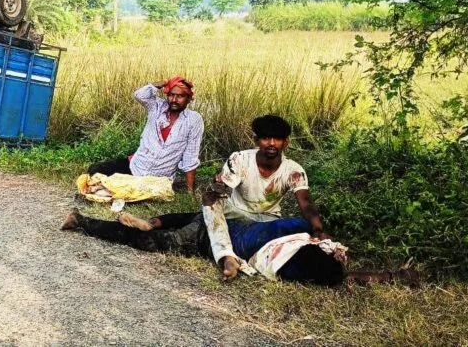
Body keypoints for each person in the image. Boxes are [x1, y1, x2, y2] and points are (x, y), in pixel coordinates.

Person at [62, 115, 343, 284]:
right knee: (169, 239)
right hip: (228, 218)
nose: (271, 144)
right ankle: (84, 221)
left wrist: (317, 229)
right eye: (265, 138)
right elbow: (217, 195)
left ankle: (153, 222)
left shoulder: (293, 171)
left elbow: (306, 203)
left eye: (277, 139)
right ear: (257, 140)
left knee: (297, 227)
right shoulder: (240, 161)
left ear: (286, 143)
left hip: (263, 226)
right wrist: (214, 192)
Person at [87, 76, 204, 192]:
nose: (174, 100)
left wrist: (190, 191)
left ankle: (120, 186)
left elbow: (190, 156)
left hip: (159, 178)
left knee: (135, 192)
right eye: (171, 95)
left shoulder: (193, 120)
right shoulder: (157, 106)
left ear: (189, 98)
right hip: (137, 166)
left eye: (180, 96)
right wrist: (161, 83)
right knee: (95, 170)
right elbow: (140, 95)